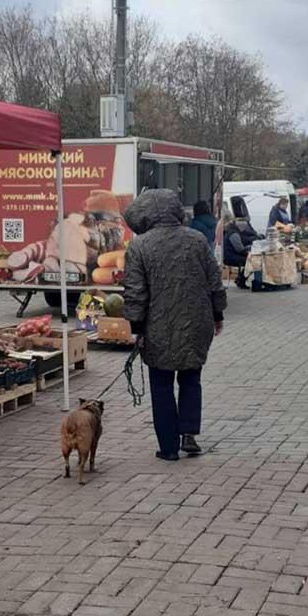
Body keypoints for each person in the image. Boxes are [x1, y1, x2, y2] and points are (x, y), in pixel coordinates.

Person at [122, 189, 227, 461]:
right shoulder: (197, 240)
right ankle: (189, 434)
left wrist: (136, 327)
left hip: (157, 328)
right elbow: (214, 280)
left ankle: (168, 447)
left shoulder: (140, 246)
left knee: (161, 384)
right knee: (192, 378)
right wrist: (218, 314)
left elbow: (135, 292)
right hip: (197, 322)